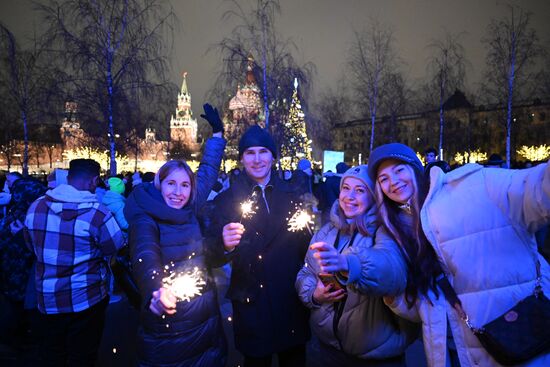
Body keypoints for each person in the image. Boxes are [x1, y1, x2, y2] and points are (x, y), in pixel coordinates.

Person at [367, 142, 550, 367]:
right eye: (383, 178)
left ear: (415, 168)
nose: (393, 182)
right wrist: (393, 295)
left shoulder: (474, 185)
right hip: (451, 349)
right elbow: (422, 309)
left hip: (519, 336)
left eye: (399, 169)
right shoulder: (397, 231)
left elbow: (535, 189)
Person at [124, 103, 227, 367]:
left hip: (205, 322)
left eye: (184, 185)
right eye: (171, 183)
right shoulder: (146, 216)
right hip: (171, 329)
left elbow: (207, 171)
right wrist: (156, 291)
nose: (177, 192)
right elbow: (144, 255)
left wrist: (217, 135)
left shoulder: (189, 205)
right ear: (160, 184)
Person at [205, 125, 311, 367]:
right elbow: (209, 255)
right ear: (241, 158)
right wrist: (224, 245)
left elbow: (308, 246)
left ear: (273, 157)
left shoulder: (294, 196)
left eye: (263, 151)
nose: (257, 159)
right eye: (250, 153)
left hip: (290, 300)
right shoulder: (225, 201)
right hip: (252, 302)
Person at [295, 165, 417, 367]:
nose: (349, 196)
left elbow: (393, 273)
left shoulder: (386, 230)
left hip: (375, 356)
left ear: (374, 196)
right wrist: (314, 295)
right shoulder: (326, 231)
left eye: (360, 190)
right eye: (346, 188)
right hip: (325, 349)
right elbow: (305, 272)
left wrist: (350, 264)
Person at [24, 159, 126, 367]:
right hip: (86, 298)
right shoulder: (97, 213)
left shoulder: (36, 207)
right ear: (94, 181)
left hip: (48, 298)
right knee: (83, 356)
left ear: (69, 177)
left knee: (52, 353)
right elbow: (114, 246)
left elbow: (30, 245)